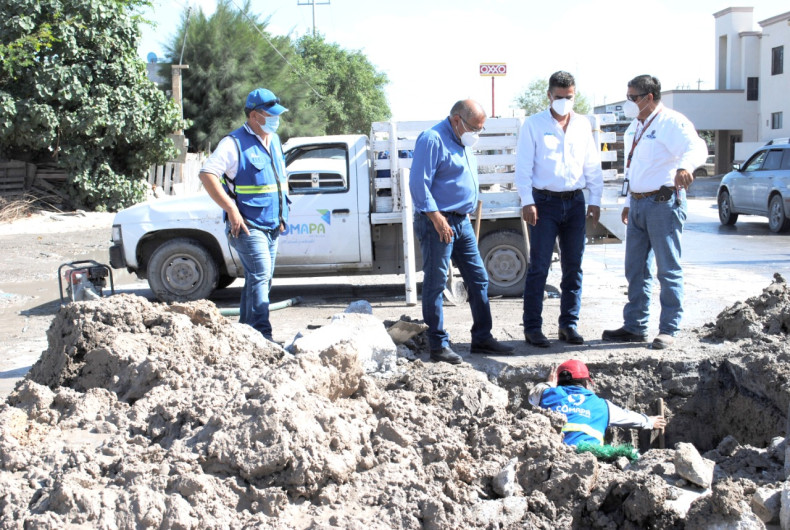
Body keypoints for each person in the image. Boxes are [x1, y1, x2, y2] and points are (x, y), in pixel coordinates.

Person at [602, 75, 708, 350]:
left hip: (663, 203)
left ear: (649, 97)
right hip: (638, 204)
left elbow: (697, 147)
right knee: (635, 269)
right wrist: (628, 201)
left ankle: (668, 328)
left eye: (633, 97)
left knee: (667, 269)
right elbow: (635, 168)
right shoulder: (636, 126)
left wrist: (686, 167)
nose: (629, 103)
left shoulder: (671, 122)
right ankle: (635, 326)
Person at [409, 99, 515, 364]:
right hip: (438, 222)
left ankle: (482, 337)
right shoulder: (432, 139)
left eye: (481, 129)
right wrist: (437, 218)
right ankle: (438, 345)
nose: (477, 134)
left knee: (478, 278)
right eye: (474, 128)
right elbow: (418, 184)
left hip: (461, 220)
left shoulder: (463, 140)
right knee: (436, 283)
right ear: (457, 120)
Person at [515, 71, 604, 348]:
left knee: (573, 267)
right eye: (559, 97)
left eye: (569, 97)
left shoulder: (582, 124)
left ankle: (569, 324)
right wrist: (527, 200)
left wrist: (596, 200)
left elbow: (592, 165)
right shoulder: (534, 124)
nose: (565, 102)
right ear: (549, 96)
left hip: (575, 202)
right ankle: (532, 328)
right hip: (544, 204)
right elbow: (523, 167)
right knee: (539, 267)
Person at [198, 88, 290, 342]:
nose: (276, 119)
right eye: (270, 115)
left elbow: (279, 180)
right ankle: (263, 335)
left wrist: (281, 215)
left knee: (259, 278)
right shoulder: (233, 143)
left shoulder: (275, 140)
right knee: (260, 275)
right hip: (248, 226)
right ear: (253, 117)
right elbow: (207, 175)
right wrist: (231, 209)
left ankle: (246, 334)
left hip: (272, 225)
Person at [528, 359, 666, 446]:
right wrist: (649, 421)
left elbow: (534, 393)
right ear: (586, 383)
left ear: (558, 382)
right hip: (588, 459)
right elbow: (628, 417)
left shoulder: (546, 395)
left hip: (552, 452)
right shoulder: (602, 406)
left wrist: (549, 384)